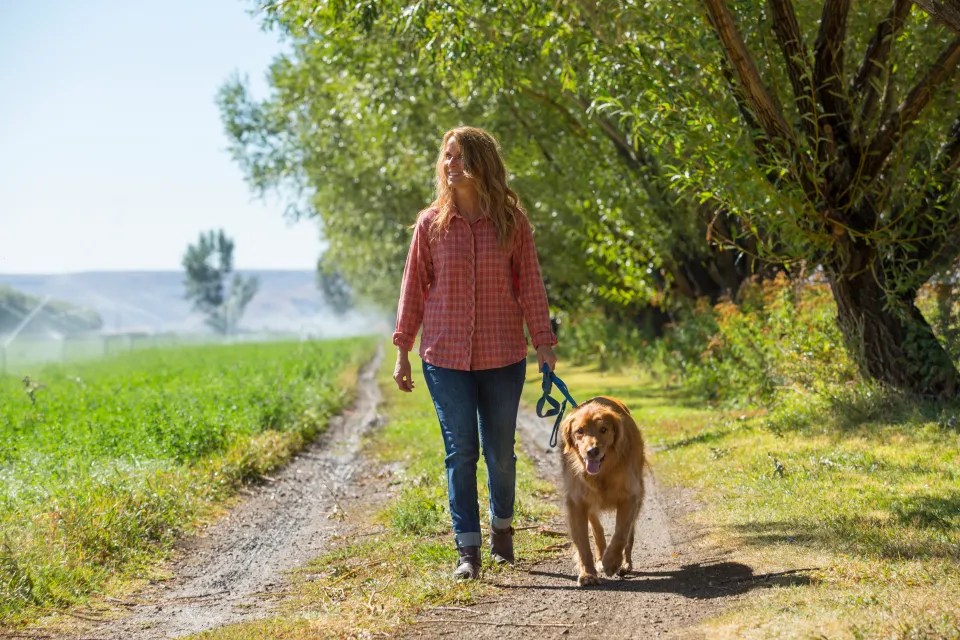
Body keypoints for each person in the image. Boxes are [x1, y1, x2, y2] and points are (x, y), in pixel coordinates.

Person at [392, 126, 558, 580]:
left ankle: (502, 529)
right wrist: (403, 349)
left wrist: (543, 343)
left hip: (503, 355)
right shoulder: (430, 225)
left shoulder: (511, 221)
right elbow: (413, 290)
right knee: (460, 452)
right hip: (444, 358)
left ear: (482, 163)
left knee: (500, 452)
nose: (452, 165)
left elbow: (531, 286)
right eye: (447, 157)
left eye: (461, 157)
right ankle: (468, 550)